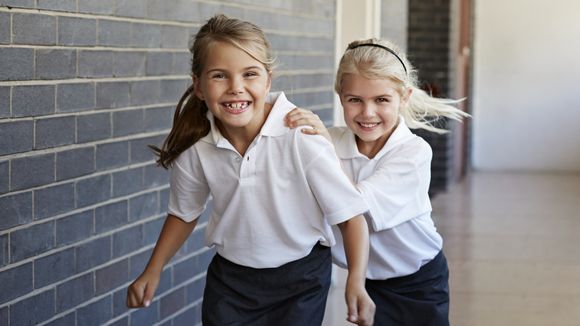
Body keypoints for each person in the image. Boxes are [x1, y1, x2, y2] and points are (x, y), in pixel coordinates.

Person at [126, 15, 375, 326]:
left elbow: (351, 217)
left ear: (268, 80)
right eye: (219, 76)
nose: (236, 88)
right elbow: (184, 213)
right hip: (231, 284)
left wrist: (356, 281)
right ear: (199, 86)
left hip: (300, 281)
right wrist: (153, 269)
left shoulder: (301, 137)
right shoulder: (198, 147)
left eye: (250, 74)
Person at [286, 38, 470, 325]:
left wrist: (323, 150)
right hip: (367, 279)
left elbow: (351, 205)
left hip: (418, 282)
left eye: (381, 100)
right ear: (340, 97)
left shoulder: (414, 152)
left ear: (404, 97)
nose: (367, 113)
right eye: (354, 100)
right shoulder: (330, 141)